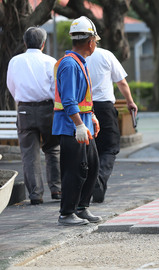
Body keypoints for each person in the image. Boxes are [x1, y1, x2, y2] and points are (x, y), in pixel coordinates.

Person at [52, 16, 102, 226]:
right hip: (72, 127)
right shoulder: (70, 65)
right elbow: (69, 99)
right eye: (95, 42)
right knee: (75, 170)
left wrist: (91, 116)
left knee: (92, 166)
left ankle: (82, 207)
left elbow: (82, 99)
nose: (95, 45)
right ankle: (66, 213)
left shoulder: (78, 63)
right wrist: (79, 125)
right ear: (90, 41)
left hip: (83, 124)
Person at [6, 27, 61, 205]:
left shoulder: (15, 61)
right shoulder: (50, 61)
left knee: (29, 154)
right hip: (48, 109)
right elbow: (56, 89)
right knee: (53, 149)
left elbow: (11, 86)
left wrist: (22, 101)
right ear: (43, 44)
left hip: (24, 110)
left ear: (24, 42)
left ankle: (36, 194)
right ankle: (57, 189)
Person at [86, 47, 138, 203]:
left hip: (83, 108)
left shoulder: (72, 57)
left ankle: (90, 183)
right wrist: (130, 101)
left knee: (89, 146)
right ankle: (99, 179)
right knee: (109, 147)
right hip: (104, 108)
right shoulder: (106, 54)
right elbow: (121, 81)